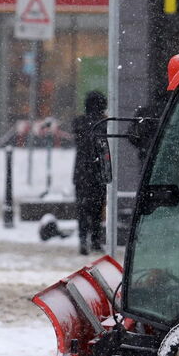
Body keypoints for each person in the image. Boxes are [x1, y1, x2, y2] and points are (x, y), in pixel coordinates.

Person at [72, 90, 108, 255]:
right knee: (97, 207)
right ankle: (95, 240)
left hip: (81, 172)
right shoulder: (103, 123)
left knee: (82, 208)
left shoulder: (79, 122)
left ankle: (82, 239)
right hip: (98, 170)